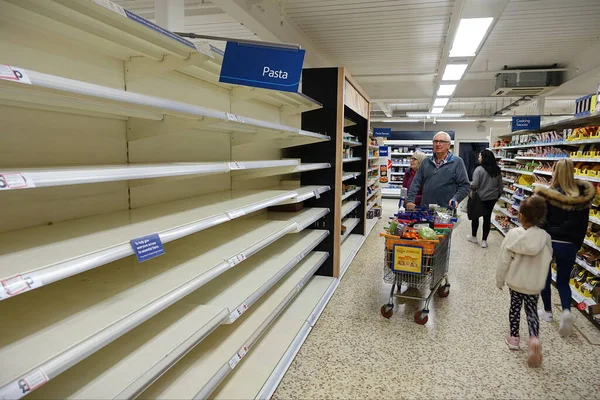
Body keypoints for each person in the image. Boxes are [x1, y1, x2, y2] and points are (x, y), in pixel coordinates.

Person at [534, 159, 595, 337]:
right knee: (563, 281)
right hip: (570, 244)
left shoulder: (548, 195)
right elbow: (584, 224)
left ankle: (547, 312)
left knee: (544, 278)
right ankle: (567, 311)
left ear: (555, 172)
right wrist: (576, 244)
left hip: (550, 242)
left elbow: (542, 221)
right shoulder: (582, 198)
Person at [496, 196, 552, 367]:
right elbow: (549, 258)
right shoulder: (545, 237)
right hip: (534, 284)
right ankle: (534, 339)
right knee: (531, 311)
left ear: (520, 216)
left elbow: (504, 260)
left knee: (514, 307)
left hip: (516, 281)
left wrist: (500, 280)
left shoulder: (513, 235)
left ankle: (514, 338)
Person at [406, 131, 470, 210]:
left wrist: (456, 199)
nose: (438, 144)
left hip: (446, 209)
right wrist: (410, 200)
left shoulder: (457, 162)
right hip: (425, 208)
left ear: (448, 145)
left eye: (442, 141)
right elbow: (416, 182)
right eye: (435, 141)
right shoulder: (426, 161)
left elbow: (465, 186)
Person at [467, 150, 504, 248]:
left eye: (480, 156)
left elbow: (475, 185)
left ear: (484, 158)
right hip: (492, 198)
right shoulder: (497, 170)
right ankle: (484, 241)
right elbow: (500, 186)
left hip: (479, 198)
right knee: (487, 219)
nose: (479, 158)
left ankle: (474, 237)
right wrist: (497, 195)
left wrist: (468, 184)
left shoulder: (478, 170)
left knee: (475, 217)